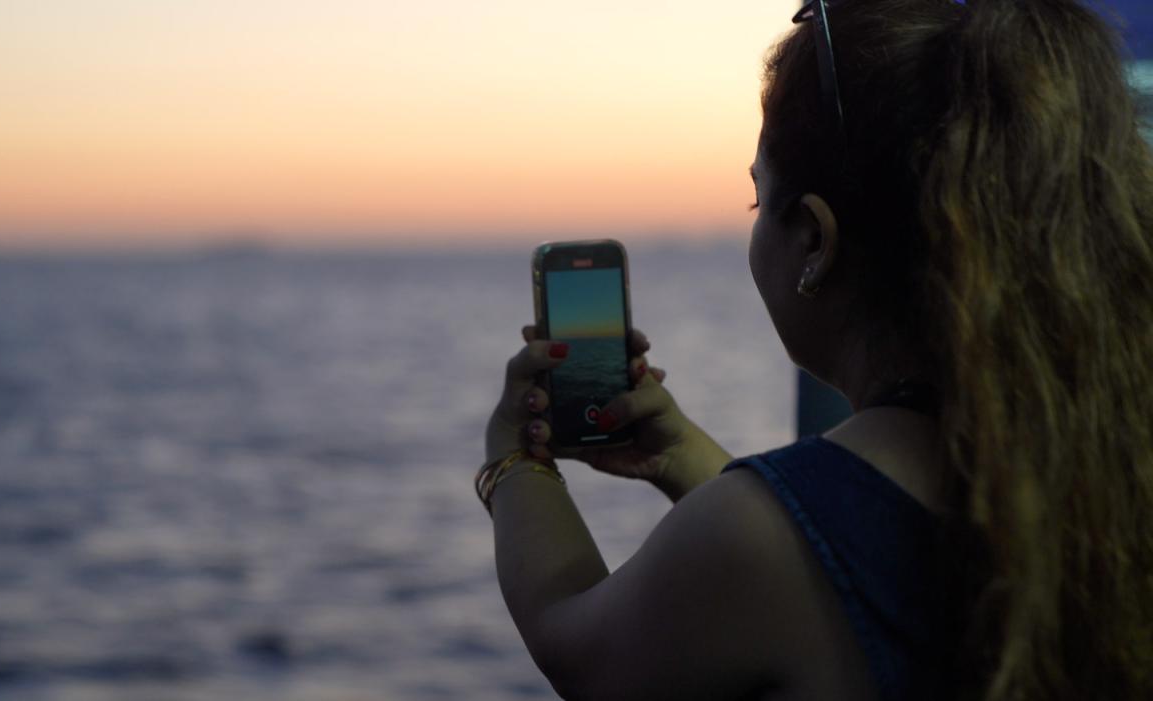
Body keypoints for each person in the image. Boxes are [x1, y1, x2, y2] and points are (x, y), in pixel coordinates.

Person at [479, 0, 1153, 699]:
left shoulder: (753, 540)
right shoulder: (1097, 457)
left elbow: (574, 645)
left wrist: (513, 459)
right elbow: (838, 538)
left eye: (757, 199)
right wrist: (681, 457)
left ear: (813, 239)